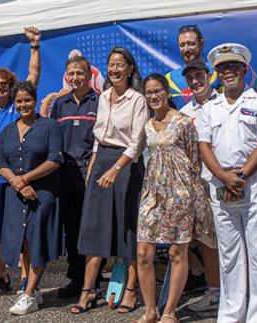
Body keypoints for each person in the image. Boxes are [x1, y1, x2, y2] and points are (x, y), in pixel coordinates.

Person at [196, 43, 257, 322]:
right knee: (229, 255)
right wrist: (224, 178)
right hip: (221, 188)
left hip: (254, 185)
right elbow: (204, 147)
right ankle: (231, 315)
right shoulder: (210, 107)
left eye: (234, 66)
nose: (228, 72)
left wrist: (241, 177)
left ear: (245, 69)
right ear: (216, 74)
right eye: (222, 67)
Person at [72, 46, 149, 315]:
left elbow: (137, 142)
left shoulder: (138, 99)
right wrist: (94, 164)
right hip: (101, 161)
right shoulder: (103, 97)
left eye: (120, 65)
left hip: (126, 165)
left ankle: (130, 289)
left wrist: (116, 168)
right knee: (93, 226)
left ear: (130, 69)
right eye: (111, 65)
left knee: (127, 227)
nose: (114, 69)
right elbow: (98, 137)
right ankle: (88, 290)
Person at [134, 74, 212, 323]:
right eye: (149, 93)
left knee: (178, 253)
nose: (154, 96)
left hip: (179, 195)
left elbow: (194, 161)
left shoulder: (184, 122)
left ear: (167, 93)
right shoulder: (147, 125)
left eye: (158, 91)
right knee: (144, 253)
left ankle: (169, 312)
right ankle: (149, 312)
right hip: (152, 196)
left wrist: (190, 195)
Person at [0, 27, 41, 297]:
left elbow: (33, 77)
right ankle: (2, 277)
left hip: (20, 180)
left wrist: (34, 46)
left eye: (4, 84)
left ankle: (26, 279)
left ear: (11, 86)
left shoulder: (18, 105)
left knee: (23, 230)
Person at [0, 81, 64, 315]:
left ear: (35, 101)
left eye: (27, 100)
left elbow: (54, 160)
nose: (23, 105)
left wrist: (23, 179)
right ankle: (33, 291)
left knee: (38, 242)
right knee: (23, 241)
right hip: (15, 195)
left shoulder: (49, 126)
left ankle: (28, 294)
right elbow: (1, 164)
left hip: (42, 194)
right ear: (14, 104)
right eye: (19, 101)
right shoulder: (7, 131)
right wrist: (16, 182)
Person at [48, 55, 101, 298]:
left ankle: (95, 279)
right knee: (71, 228)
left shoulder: (100, 101)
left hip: (89, 171)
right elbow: (52, 137)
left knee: (90, 227)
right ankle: (76, 278)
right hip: (65, 172)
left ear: (89, 76)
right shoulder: (60, 103)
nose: (75, 77)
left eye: (80, 73)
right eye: (71, 73)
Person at [177, 60, 222, 314]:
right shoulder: (185, 112)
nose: (195, 81)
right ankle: (215, 294)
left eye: (199, 75)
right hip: (200, 189)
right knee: (209, 243)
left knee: (235, 242)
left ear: (209, 75)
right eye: (190, 78)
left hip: (228, 185)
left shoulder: (226, 103)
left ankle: (241, 292)